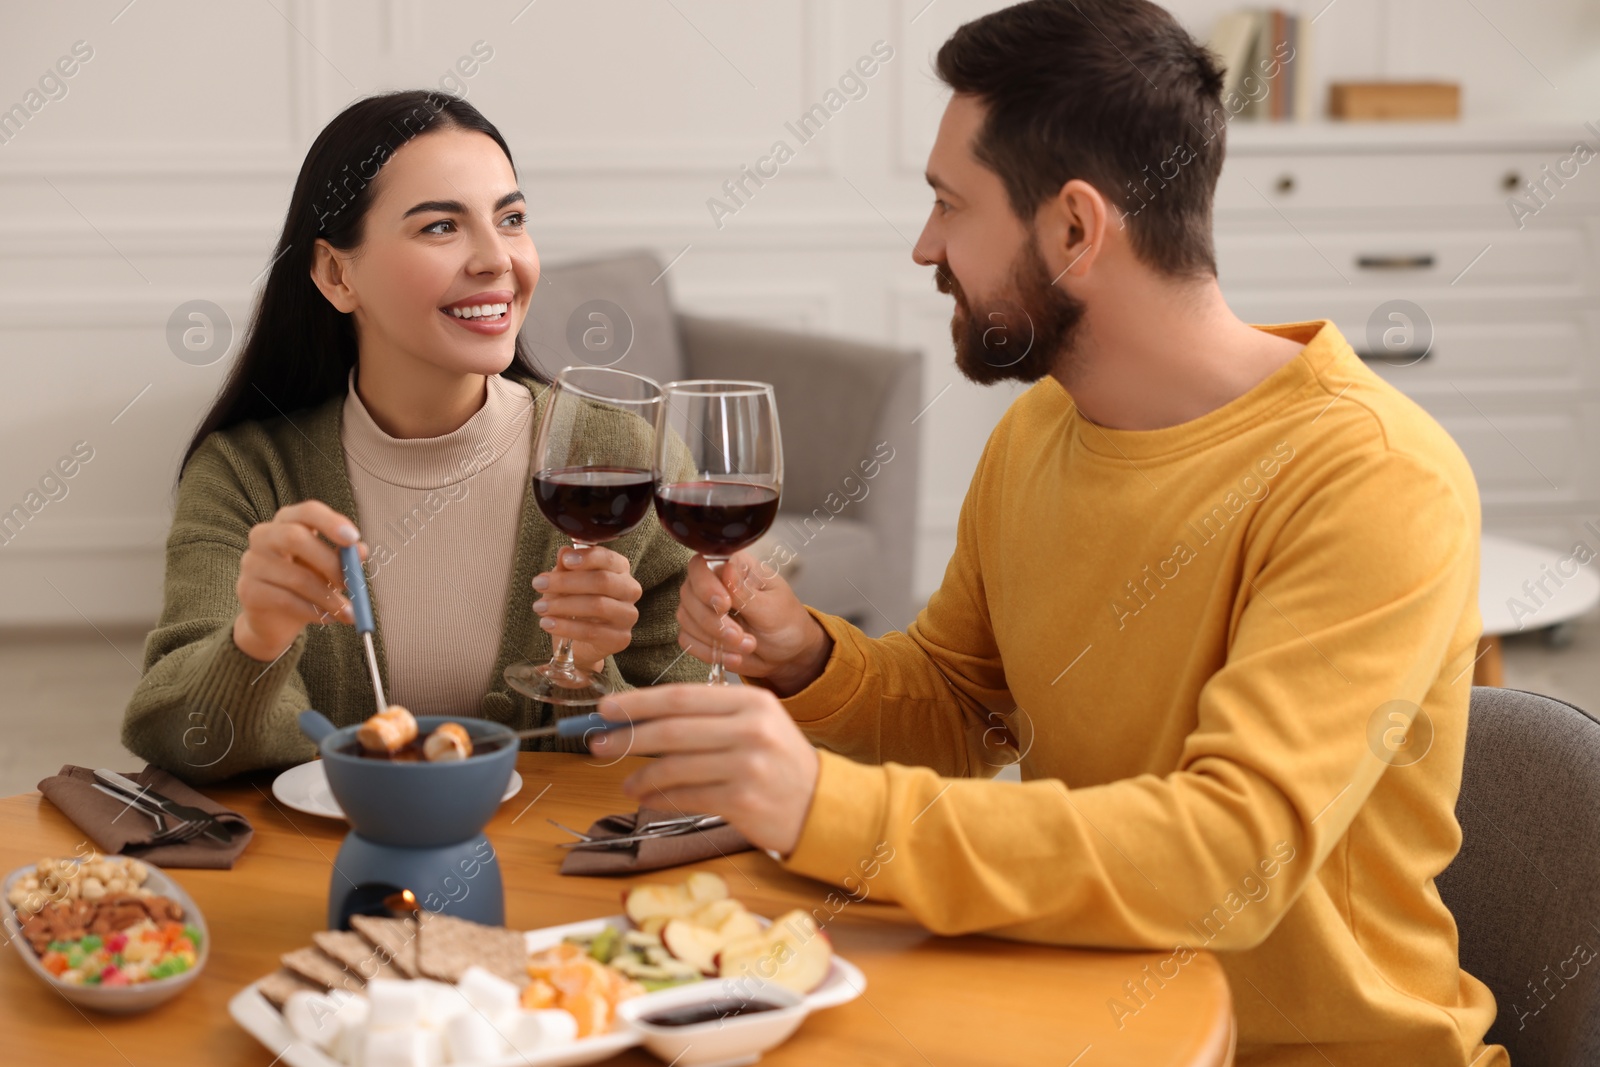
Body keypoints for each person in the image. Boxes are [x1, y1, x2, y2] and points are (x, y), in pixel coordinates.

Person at [590, 2, 1504, 1064]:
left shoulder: (1371, 477)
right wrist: (807, 659)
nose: (926, 244)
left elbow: (1225, 856)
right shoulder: (1039, 429)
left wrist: (821, 802)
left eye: (948, 204)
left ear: (1074, 228)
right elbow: (964, 705)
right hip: (1079, 1011)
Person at [123, 90, 702, 783]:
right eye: (439, 228)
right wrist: (256, 641)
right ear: (338, 274)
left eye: (511, 219)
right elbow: (178, 736)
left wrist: (587, 674)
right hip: (325, 880)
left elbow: (709, 741)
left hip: (556, 879)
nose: (497, 259)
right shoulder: (247, 473)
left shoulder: (628, 461)